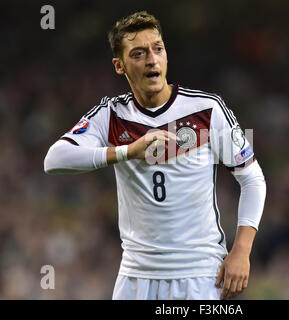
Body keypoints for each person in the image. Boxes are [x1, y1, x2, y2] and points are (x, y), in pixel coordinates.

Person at [44, 11, 266, 300]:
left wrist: (241, 251)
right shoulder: (111, 114)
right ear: (119, 65)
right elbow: (54, 160)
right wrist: (128, 152)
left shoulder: (208, 109)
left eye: (157, 49)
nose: (152, 59)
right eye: (138, 53)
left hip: (199, 273)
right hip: (136, 277)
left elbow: (253, 180)